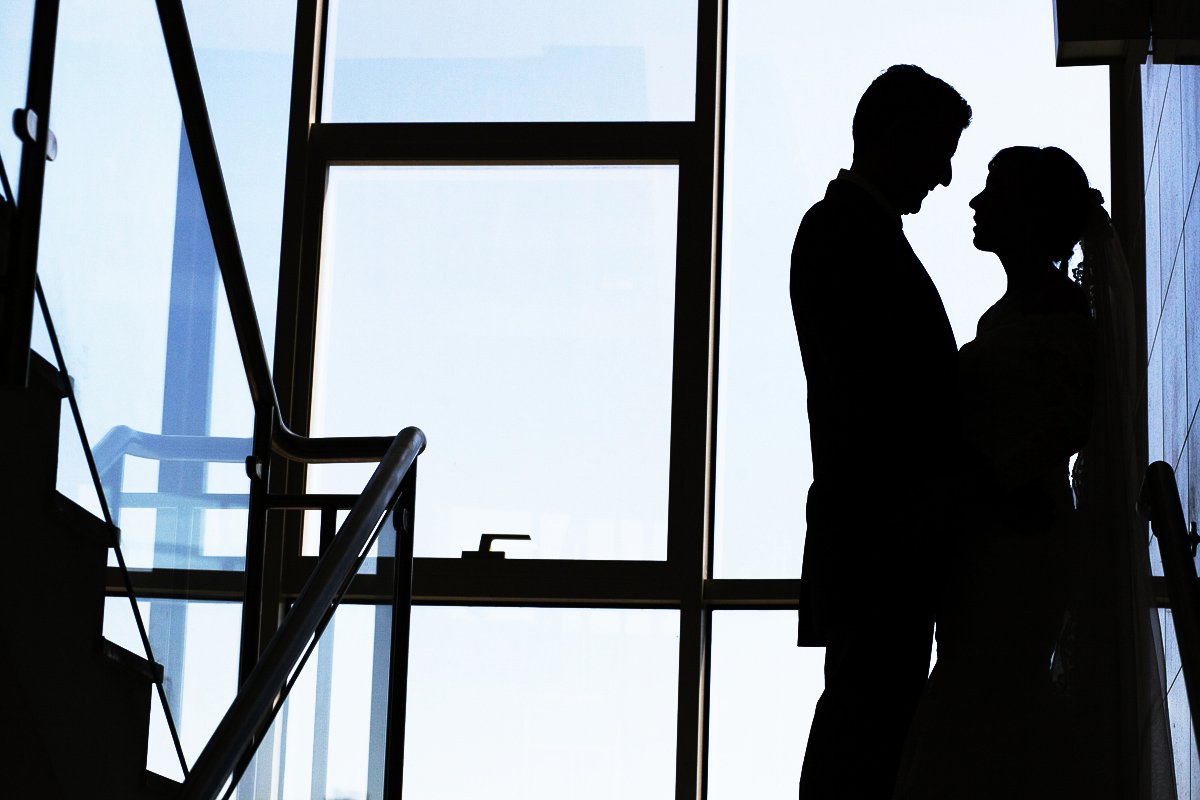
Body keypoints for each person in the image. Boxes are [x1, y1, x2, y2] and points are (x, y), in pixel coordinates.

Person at [892, 146, 1108, 800]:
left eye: (993, 190)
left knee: (984, 704)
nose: (976, 203)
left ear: (1029, 211)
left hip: (1020, 541)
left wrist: (990, 479)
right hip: (986, 544)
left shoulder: (1060, 312)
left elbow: (1072, 419)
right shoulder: (1009, 314)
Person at [791, 65, 972, 799]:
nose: (947, 175)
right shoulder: (845, 233)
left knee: (867, 735)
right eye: (938, 148)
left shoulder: (850, 232)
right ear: (893, 135)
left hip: (879, 537)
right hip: (882, 536)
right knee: (864, 741)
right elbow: (883, 400)